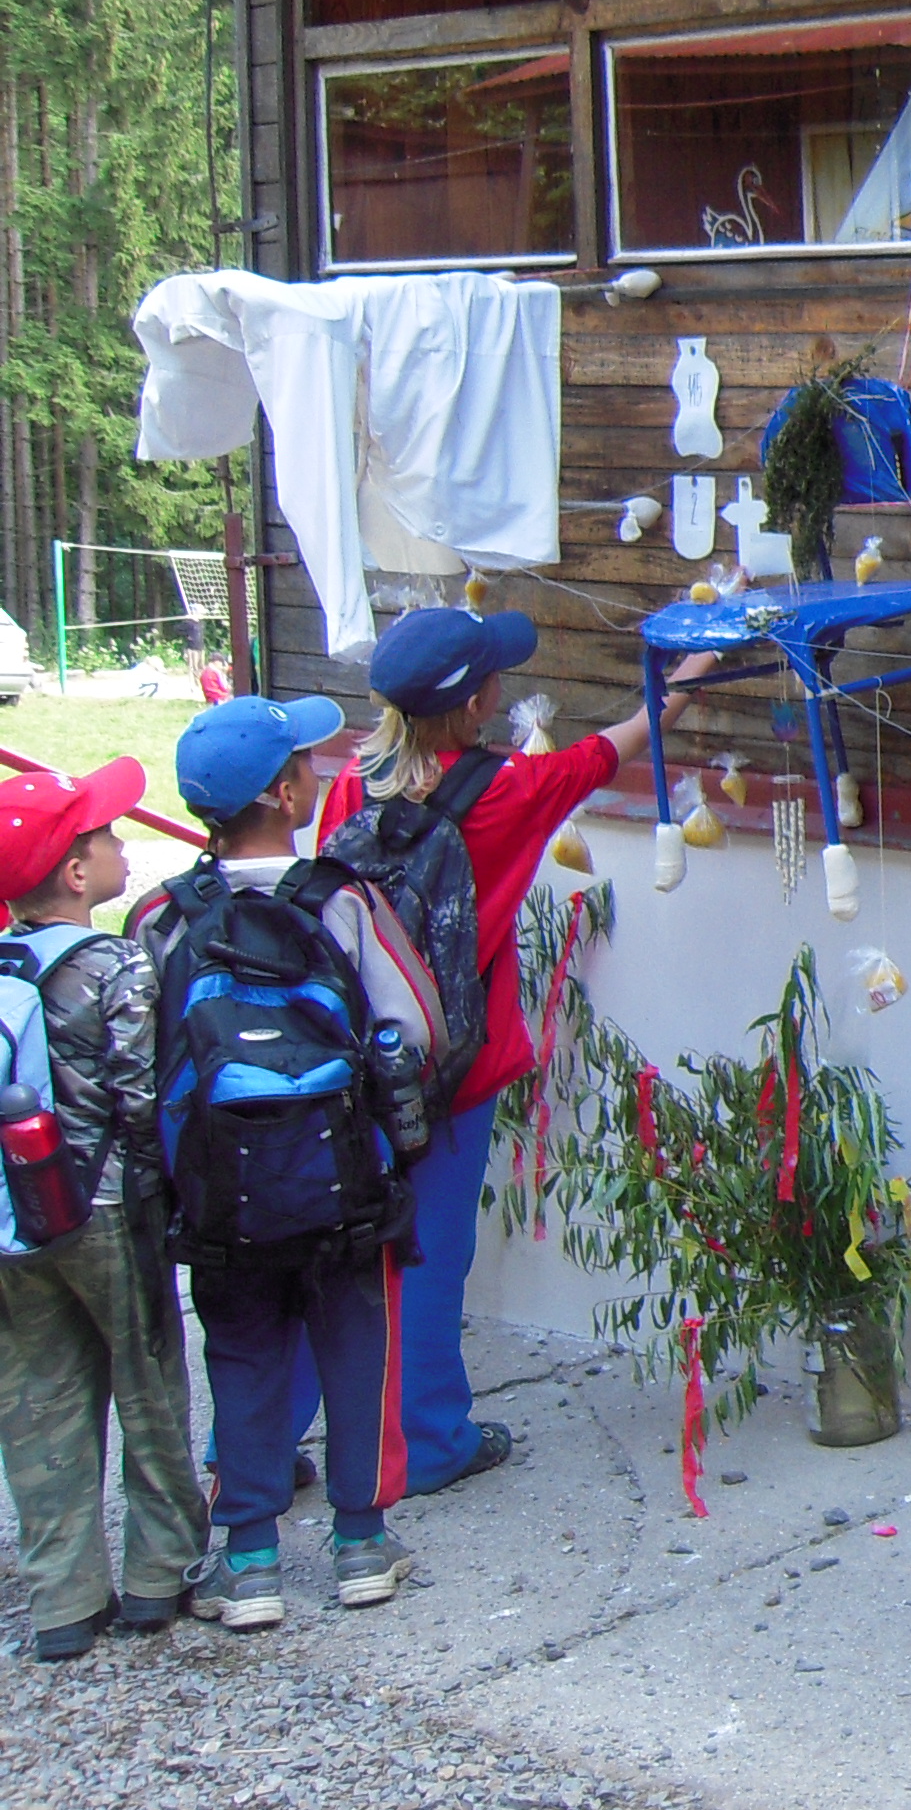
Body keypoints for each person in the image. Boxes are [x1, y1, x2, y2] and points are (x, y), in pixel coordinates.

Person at [311, 607, 709, 1497]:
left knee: (339, 1245)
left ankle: (298, 1437)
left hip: (353, 1057)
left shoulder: (352, 784)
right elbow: (621, 742)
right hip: (452, 1069)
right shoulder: (508, 790)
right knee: (430, 1254)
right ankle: (429, 1441)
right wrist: (685, 680)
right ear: (477, 704)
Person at [140, 696, 442, 1628]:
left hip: (219, 1195)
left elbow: (142, 1057)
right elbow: (416, 1027)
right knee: (354, 1348)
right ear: (283, 793)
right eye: (305, 762)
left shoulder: (164, 916)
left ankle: (251, 1561)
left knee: (240, 1355)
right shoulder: (341, 900)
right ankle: (361, 1546)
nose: (318, 771)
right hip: (341, 1182)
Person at [0, 762, 209, 1657]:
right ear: (77, 874)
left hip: (15, 1220)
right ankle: (160, 1573)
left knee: (36, 1400)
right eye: (106, 836)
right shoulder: (116, 963)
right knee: (150, 1383)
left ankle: (62, 1601)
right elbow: (138, 1098)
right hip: (107, 1209)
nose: (123, 844)